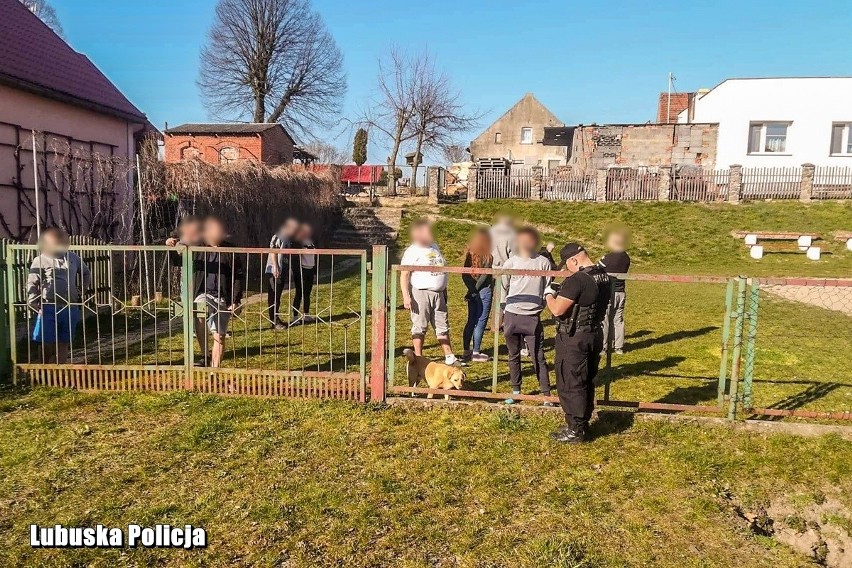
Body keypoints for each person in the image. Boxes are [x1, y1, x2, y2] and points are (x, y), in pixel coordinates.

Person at [544, 242, 611, 444]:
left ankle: (575, 429)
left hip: (573, 338)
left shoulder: (578, 280)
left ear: (574, 259)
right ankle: (583, 423)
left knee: (570, 382)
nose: (566, 269)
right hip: (594, 333)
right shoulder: (604, 276)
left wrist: (548, 293)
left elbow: (557, 309)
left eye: (567, 265)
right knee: (586, 380)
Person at [500, 227, 553, 404]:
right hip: (512, 316)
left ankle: (546, 395)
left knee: (538, 357)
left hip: (532, 317)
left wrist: (541, 306)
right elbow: (504, 287)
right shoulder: (511, 263)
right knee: (513, 355)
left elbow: (547, 287)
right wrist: (502, 313)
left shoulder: (543, 262)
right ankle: (516, 391)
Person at [26, 227, 91, 364]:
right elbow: (32, 281)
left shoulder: (73, 257)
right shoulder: (40, 259)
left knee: (64, 341)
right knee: (46, 342)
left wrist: (82, 289)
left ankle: (60, 369)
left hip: (70, 306)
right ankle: (43, 368)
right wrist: (33, 301)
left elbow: (86, 272)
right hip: (49, 306)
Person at [400, 218, 456, 365]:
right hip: (421, 293)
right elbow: (404, 274)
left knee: (442, 324)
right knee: (420, 325)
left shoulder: (434, 247)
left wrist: (444, 290)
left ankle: (449, 356)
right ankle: (418, 357)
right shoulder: (412, 251)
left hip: (439, 294)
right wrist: (406, 296)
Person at [192, 216, 244, 368]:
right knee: (200, 310)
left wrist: (235, 300)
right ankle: (204, 355)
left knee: (220, 336)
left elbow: (238, 276)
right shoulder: (198, 248)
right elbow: (179, 251)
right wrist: (172, 242)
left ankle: (215, 370)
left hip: (222, 297)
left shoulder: (230, 250)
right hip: (203, 293)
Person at [461, 228, 493, 363]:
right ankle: (476, 352)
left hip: (472, 292)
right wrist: (475, 289)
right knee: (480, 322)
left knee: (471, 320)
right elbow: (485, 276)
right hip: (484, 291)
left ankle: (466, 350)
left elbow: (464, 274)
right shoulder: (488, 256)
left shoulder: (469, 254)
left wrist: (471, 290)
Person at [599, 230, 631, 355]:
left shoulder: (609, 257)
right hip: (621, 291)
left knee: (605, 319)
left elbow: (598, 268)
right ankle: (619, 347)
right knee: (618, 319)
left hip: (608, 292)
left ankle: (603, 347)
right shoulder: (626, 258)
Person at [265, 218, 299, 330]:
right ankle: (274, 321)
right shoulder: (279, 236)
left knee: (277, 296)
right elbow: (272, 250)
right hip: (274, 271)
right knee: (274, 296)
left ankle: (275, 318)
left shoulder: (288, 239)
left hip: (282, 269)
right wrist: (275, 266)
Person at [290, 222, 317, 326]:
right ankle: (295, 316)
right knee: (299, 293)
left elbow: (315, 255)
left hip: (310, 269)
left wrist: (314, 271)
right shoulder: (298, 242)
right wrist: (296, 270)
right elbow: (296, 256)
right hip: (302, 270)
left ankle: (306, 314)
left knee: (307, 293)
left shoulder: (311, 242)